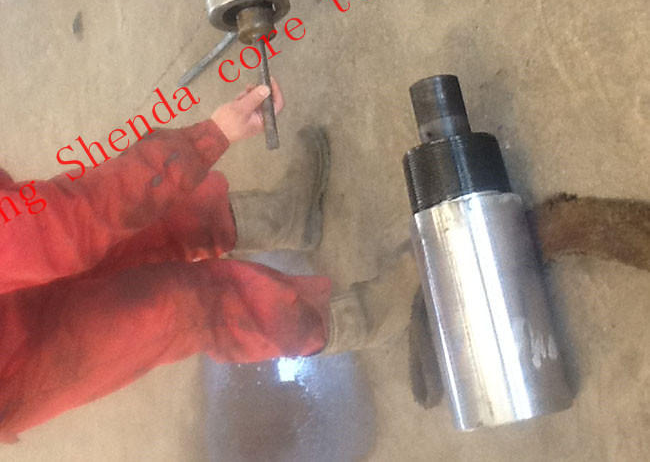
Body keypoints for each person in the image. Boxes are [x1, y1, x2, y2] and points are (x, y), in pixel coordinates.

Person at [0, 80, 418, 441]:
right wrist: (209, 137)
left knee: (150, 227)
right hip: (15, 364)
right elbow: (66, 225)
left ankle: (284, 217)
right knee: (180, 310)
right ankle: (364, 320)